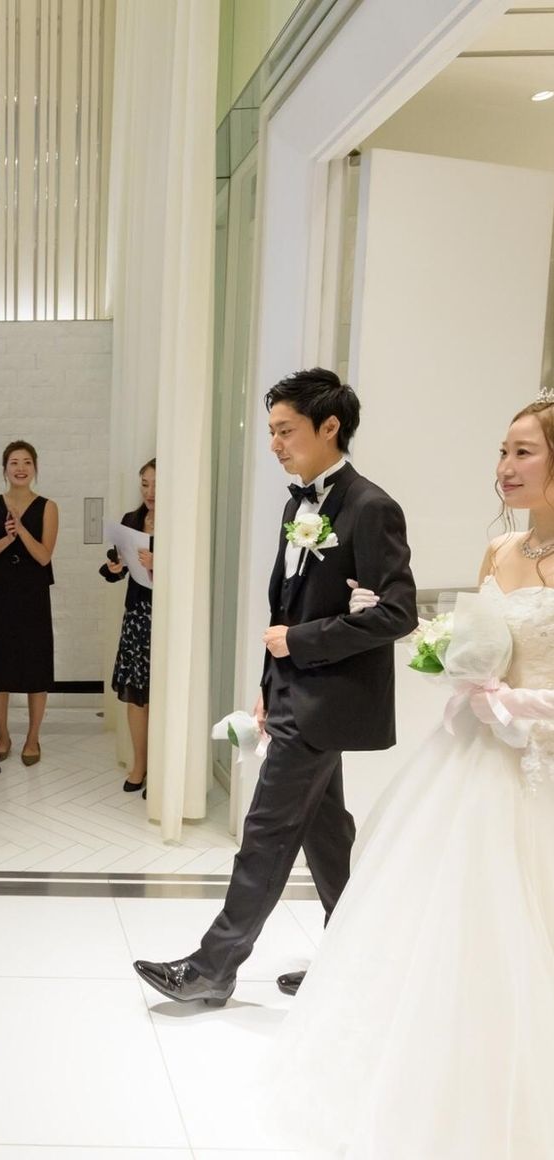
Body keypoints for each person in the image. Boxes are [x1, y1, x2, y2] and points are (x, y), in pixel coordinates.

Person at [264, 398, 554, 1158]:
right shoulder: (501, 550)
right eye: (503, 450)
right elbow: (476, 644)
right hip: (475, 751)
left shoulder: (371, 506)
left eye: (524, 452)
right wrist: (448, 658)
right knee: (447, 917)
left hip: (538, 759)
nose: (505, 466)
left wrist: (524, 705)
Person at [133, 368, 417, 1005]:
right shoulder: (299, 505)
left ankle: (213, 968)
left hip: (328, 699)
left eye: (285, 431)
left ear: (330, 426)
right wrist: (271, 681)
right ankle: (355, 962)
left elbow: (398, 614)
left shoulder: (371, 507)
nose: (275, 445)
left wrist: (301, 644)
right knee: (326, 835)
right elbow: (287, 606)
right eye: (271, 431)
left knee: (265, 832)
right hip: (295, 692)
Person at [0, 440, 58, 765]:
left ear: (35, 468)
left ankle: (33, 737)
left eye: (26, 462)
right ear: (5, 468)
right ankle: (3, 734)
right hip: (0, 591)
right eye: (14, 462)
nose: (20, 468)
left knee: (36, 664)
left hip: (33, 593)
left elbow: (44, 556)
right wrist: (7, 538)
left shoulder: (48, 506)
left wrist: (21, 531)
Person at [101, 458, 156, 796]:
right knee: (137, 697)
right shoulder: (131, 521)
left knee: (161, 695)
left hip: (165, 617)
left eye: (156, 484)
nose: (150, 492)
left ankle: (161, 769)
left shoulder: (178, 523)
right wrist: (115, 567)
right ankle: (139, 764)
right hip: (137, 615)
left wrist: (159, 563)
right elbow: (118, 570)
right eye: (145, 484)